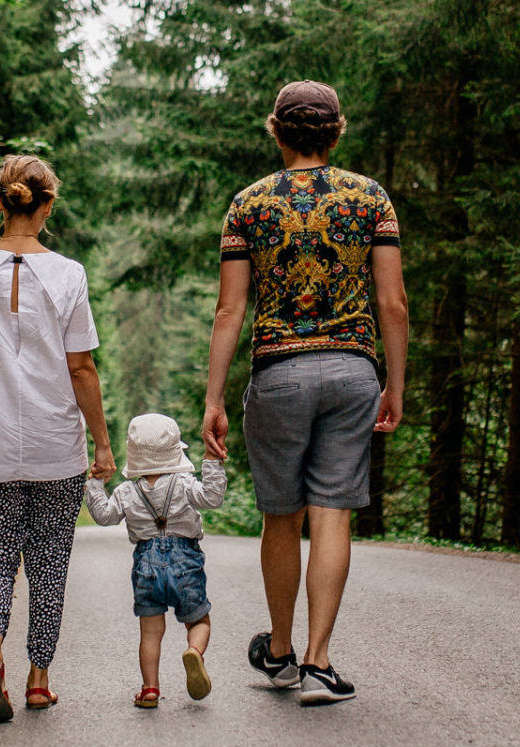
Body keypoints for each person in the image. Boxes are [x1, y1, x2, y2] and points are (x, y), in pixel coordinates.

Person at [201, 80, 407, 707]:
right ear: (336, 131)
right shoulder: (370, 198)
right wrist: (393, 382)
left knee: (281, 516)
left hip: (279, 374)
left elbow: (229, 310)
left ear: (276, 130)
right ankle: (320, 660)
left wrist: (213, 398)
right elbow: (392, 302)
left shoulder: (249, 205)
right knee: (333, 511)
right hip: (351, 372)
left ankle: (283, 652)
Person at [0, 154, 115, 724]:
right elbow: (81, 368)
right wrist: (103, 444)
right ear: (47, 205)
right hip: (55, 444)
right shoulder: (69, 274)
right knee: (49, 563)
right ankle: (39, 679)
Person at [84, 412, 228, 708]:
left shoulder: (126, 491)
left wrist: (96, 484)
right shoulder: (184, 483)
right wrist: (212, 463)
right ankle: (194, 653)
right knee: (199, 620)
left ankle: (149, 689)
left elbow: (104, 516)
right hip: (186, 560)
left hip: (146, 565)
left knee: (150, 632)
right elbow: (212, 497)